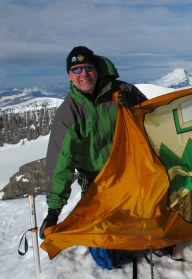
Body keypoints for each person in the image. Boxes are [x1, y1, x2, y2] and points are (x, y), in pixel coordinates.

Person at [39, 46, 147, 239]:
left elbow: (153, 118)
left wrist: (138, 103)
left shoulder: (122, 91)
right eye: (77, 69)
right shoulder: (68, 114)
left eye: (88, 67)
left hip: (132, 170)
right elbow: (60, 161)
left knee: (149, 216)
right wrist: (54, 211)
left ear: (97, 69)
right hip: (96, 180)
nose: (84, 74)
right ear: (69, 75)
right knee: (105, 235)